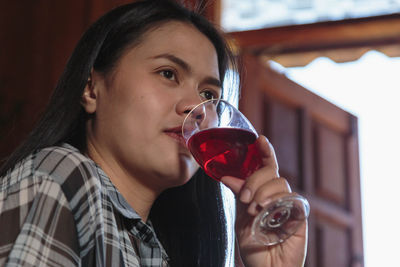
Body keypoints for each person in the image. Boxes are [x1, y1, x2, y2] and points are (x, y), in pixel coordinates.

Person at [0, 0, 307, 266]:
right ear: (91, 88)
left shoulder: (155, 248)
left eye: (208, 94)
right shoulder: (63, 176)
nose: (194, 108)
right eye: (168, 74)